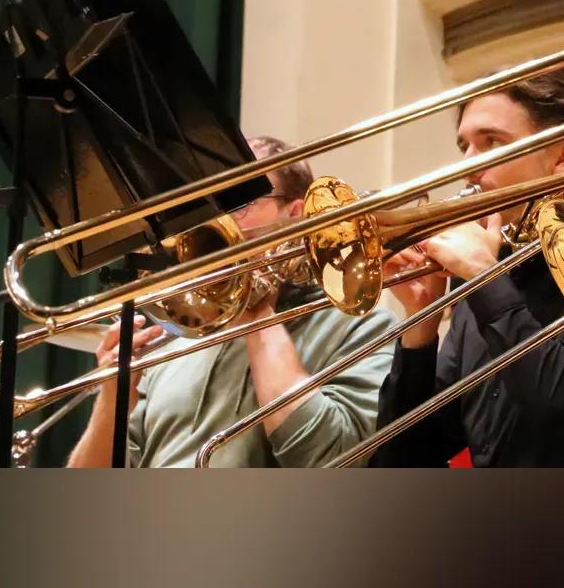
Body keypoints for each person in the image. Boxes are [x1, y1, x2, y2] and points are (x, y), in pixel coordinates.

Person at [370, 67, 564, 467]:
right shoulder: (492, 273)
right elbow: (402, 461)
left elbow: (560, 404)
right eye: (465, 147)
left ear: (562, 155)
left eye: (491, 142)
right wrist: (421, 323)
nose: (467, 164)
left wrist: (482, 276)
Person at [67, 135, 397, 467]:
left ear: (296, 215)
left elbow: (332, 457)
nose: (218, 219)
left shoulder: (361, 328)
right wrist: (112, 395)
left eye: (239, 204)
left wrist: (255, 305)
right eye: (210, 205)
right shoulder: (177, 334)